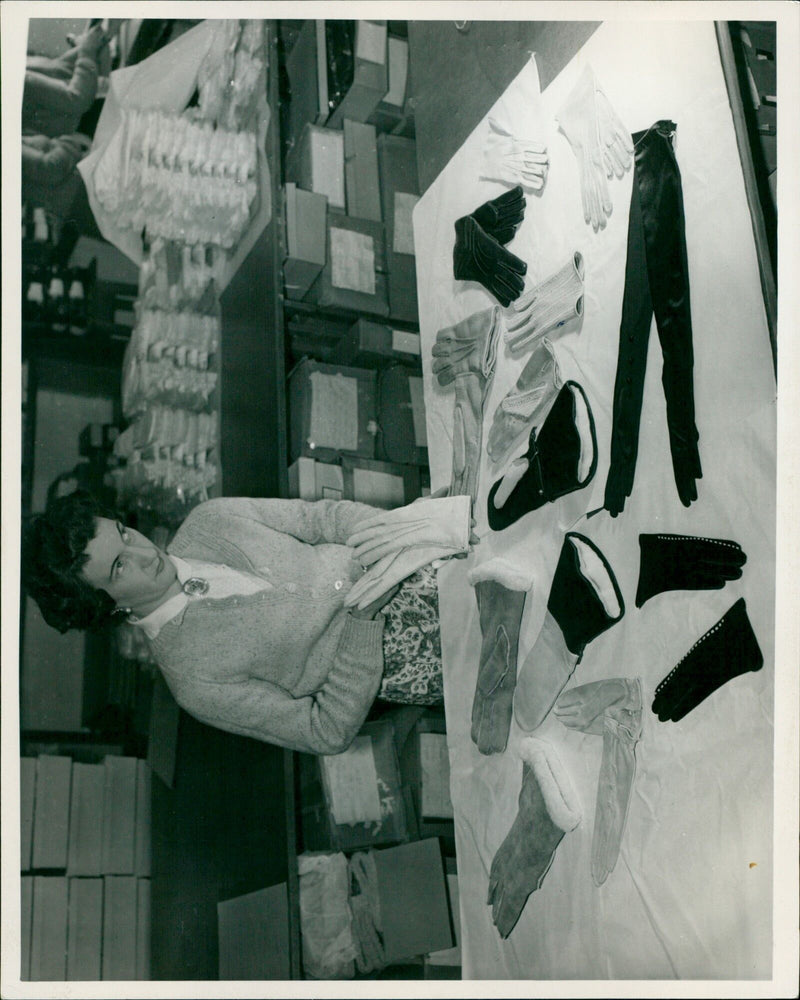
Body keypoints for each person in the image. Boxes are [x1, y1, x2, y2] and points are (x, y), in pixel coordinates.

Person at [22, 490, 453, 755]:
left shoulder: (209, 519)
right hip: (425, 659)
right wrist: (363, 621)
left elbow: (322, 518)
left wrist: (392, 534)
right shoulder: (194, 681)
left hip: (422, 560)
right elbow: (324, 731)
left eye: (124, 532)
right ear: (105, 605)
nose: (143, 552)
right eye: (119, 567)